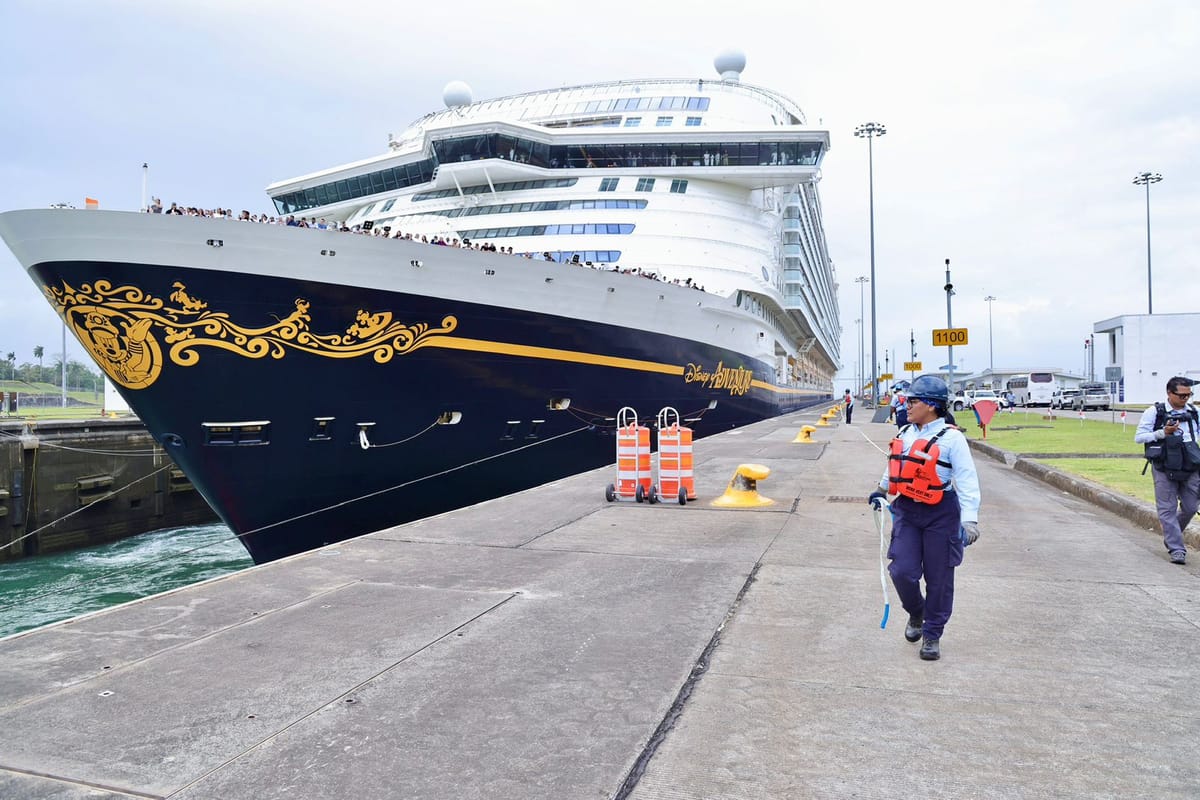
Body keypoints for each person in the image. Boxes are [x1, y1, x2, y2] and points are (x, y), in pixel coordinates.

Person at [868, 375, 981, 661]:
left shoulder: (952, 439)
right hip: (907, 509)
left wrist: (970, 520)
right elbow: (895, 465)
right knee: (901, 571)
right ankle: (916, 612)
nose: (906, 404)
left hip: (941, 513)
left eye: (913, 400)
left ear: (931, 406)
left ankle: (932, 634)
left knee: (939, 577)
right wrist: (881, 489)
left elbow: (967, 480)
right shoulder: (905, 432)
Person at [1134, 376, 1200, 565]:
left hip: (1190, 463)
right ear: (1169, 393)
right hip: (1164, 464)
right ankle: (1177, 548)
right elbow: (1139, 438)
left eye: (1189, 395)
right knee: (1167, 508)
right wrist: (1164, 432)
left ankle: (1172, 534)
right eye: (1181, 395)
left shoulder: (1194, 412)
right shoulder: (1154, 412)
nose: (1185, 399)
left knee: (1190, 507)